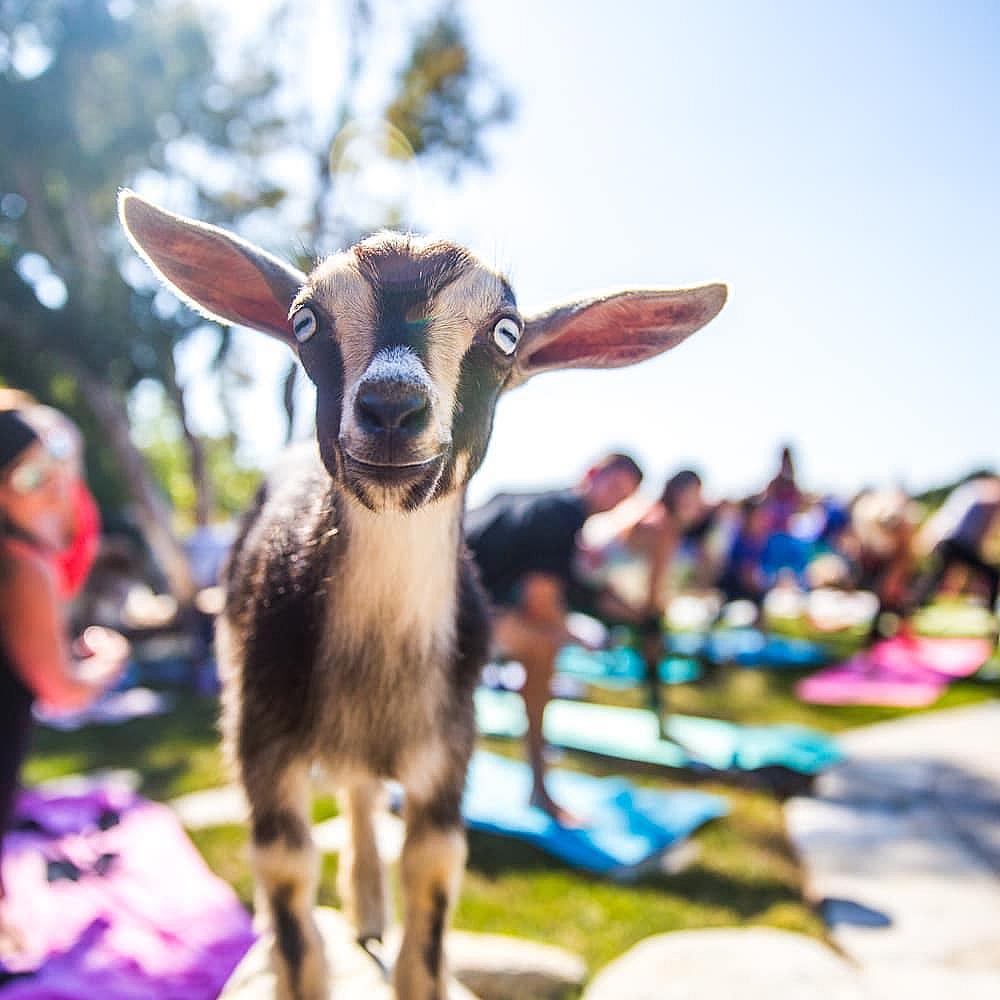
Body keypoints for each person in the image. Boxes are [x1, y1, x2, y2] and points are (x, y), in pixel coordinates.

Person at [0, 402, 129, 958]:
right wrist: (109, 659)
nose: (56, 487)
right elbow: (62, 691)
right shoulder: (22, 566)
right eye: (30, 477)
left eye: (55, 466)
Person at [465, 453, 644, 824]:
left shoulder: (544, 504)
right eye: (614, 487)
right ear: (591, 473)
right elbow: (540, 602)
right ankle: (540, 787)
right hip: (449, 608)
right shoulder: (561, 515)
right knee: (545, 646)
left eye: (624, 496)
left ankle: (538, 783)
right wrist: (581, 636)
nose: (614, 500)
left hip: (458, 601)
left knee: (544, 643)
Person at [906, 474, 1000, 615]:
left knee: (933, 578)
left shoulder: (968, 491)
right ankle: (910, 607)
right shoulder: (985, 492)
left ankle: (911, 607)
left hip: (945, 541)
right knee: (992, 575)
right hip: (953, 542)